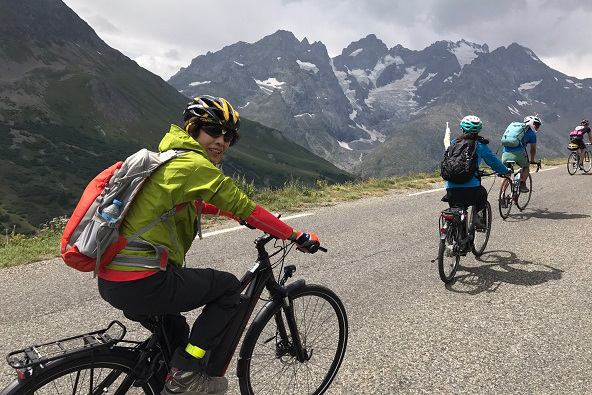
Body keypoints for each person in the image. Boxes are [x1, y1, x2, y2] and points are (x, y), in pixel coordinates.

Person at [97, 95, 321, 395]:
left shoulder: (167, 157)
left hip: (113, 279)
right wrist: (296, 235)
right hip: (143, 281)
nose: (222, 141)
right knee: (228, 288)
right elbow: (248, 208)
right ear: (193, 128)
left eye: (228, 136)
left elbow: (185, 202)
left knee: (176, 333)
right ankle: (186, 377)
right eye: (213, 131)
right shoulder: (194, 164)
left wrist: (229, 212)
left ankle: (163, 374)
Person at [444, 115, 509, 229]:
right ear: (478, 131)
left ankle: (452, 239)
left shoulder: (453, 143)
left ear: (462, 129)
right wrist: (505, 171)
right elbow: (494, 163)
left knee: (456, 213)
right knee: (482, 193)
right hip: (472, 189)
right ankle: (477, 217)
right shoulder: (480, 145)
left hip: (451, 188)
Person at [501, 115, 540, 192]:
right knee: (526, 167)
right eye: (536, 124)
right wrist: (532, 160)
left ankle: (502, 194)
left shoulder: (515, 130)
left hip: (505, 153)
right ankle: (522, 184)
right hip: (518, 153)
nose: (537, 127)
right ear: (531, 123)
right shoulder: (532, 134)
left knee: (506, 174)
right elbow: (533, 148)